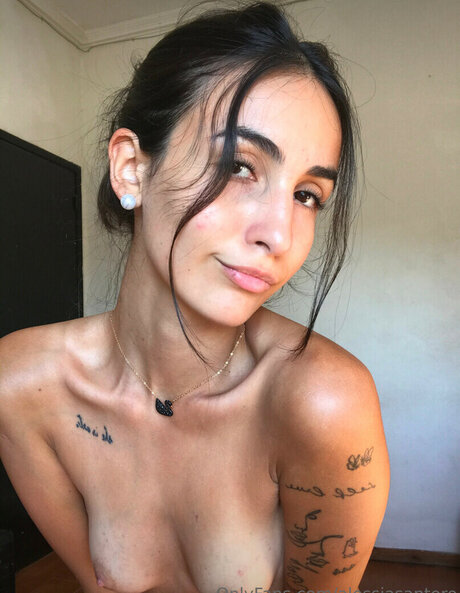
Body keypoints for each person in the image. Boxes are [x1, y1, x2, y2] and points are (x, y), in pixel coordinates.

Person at [0, 2, 390, 592]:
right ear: (131, 169)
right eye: (239, 165)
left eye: (307, 195)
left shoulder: (323, 404)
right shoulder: (23, 389)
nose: (280, 235)